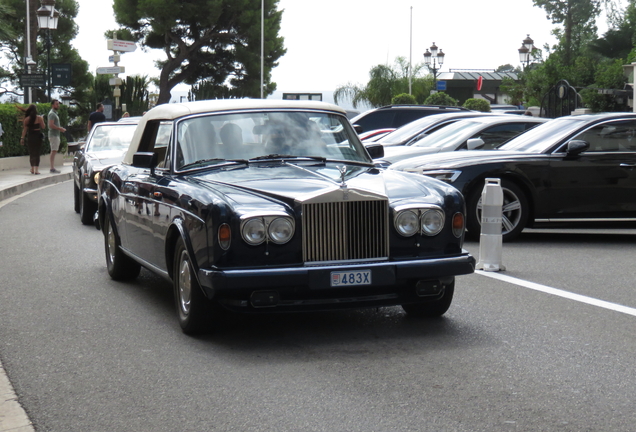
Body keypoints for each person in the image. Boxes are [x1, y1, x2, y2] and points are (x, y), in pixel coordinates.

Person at [20, 104, 46, 175]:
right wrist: (42, 119)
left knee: (32, 153)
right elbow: (43, 127)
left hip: (30, 136)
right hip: (37, 136)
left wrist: (22, 138)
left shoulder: (27, 119)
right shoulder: (39, 118)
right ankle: (36, 170)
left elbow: (25, 130)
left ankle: (32, 168)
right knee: (37, 153)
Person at [48, 99, 66, 174]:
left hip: (56, 134)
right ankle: (52, 168)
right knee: (53, 150)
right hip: (54, 135)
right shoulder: (52, 114)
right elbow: (51, 125)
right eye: (56, 104)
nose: (58, 105)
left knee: (54, 150)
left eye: (58, 104)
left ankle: (52, 167)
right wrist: (60, 128)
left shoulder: (55, 113)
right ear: (52, 105)